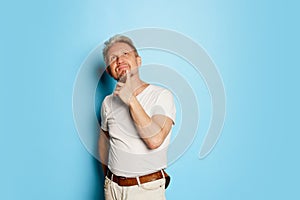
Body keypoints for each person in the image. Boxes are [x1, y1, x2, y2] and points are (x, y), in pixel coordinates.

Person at [98, 34, 176, 200]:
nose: (119, 60)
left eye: (125, 54)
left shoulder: (161, 96)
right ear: (109, 70)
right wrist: (108, 180)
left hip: (145, 191)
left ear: (138, 61)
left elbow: (154, 140)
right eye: (113, 58)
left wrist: (131, 99)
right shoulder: (107, 103)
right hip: (112, 189)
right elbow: (104, 144)